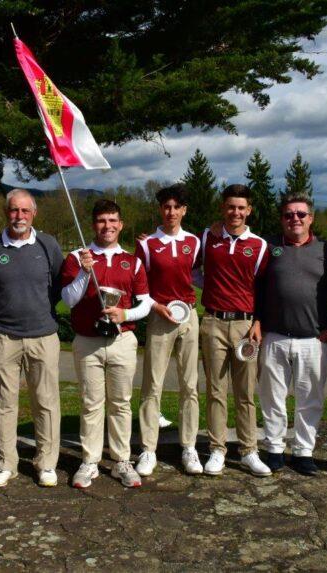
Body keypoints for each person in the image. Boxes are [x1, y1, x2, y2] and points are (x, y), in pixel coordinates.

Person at [0, 189, 64, 488]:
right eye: (14, 210)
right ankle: (6, 464)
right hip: (3, 336)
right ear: (6, 212)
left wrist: (39, 308)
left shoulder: (48, 245)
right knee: (4, 404)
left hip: (43, 335)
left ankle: (46, 464)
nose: (19, 216)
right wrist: (3, 310)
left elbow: (59, 285)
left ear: (34, 213)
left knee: (46, 402)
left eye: (25, 211)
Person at [61, 199, 153, 488]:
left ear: (121, 225)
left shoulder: (132, 261)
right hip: (87, 341)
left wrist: (125, 314)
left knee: (121, 403)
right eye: (102, 220)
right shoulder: (77, 258)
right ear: (93, 225)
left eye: (113, 220)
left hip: (122, 340)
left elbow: (145, 303)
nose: (107, 226)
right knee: (91, 403)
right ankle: (90, 461)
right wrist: (84, 272)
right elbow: (68, 300)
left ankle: (121, 460)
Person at [197, 184, 272, 477]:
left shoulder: (259, 245)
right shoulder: (208, 237)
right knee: (216, 390)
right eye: (230, 207)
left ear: (249, 210)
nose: (235, 212)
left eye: (241, 207)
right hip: (213, 323)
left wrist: (259, 321)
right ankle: (217, 449)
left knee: (245, 392)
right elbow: (188, 268)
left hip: (245, 326)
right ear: (222, 208)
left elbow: (264, 289)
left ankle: (249, 450)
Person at [255, 194, 327, 476]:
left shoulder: (326, 250)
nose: (295, 219)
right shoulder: (268, 246)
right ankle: (274, 449)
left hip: (313, 338)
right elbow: (256, 288)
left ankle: (303, 452)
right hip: (275, 335)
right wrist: (257, 320)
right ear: (282, 219)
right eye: (288, 214)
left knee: (310, 399)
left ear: (311, 218)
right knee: (272, 397)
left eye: (300, 214)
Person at [134, 183, 203, 476]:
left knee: (190, 385)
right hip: (160, 317)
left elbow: (197, 275)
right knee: (152, 385)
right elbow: (139, 286)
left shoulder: (194, 242)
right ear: (160, 210)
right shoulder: (147, 244)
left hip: (189, 316)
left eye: (176, 207)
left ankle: (189, 447)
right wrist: (155, 306)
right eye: (166, 207)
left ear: (184, 210)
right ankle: (148, 449)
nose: (171, 212)